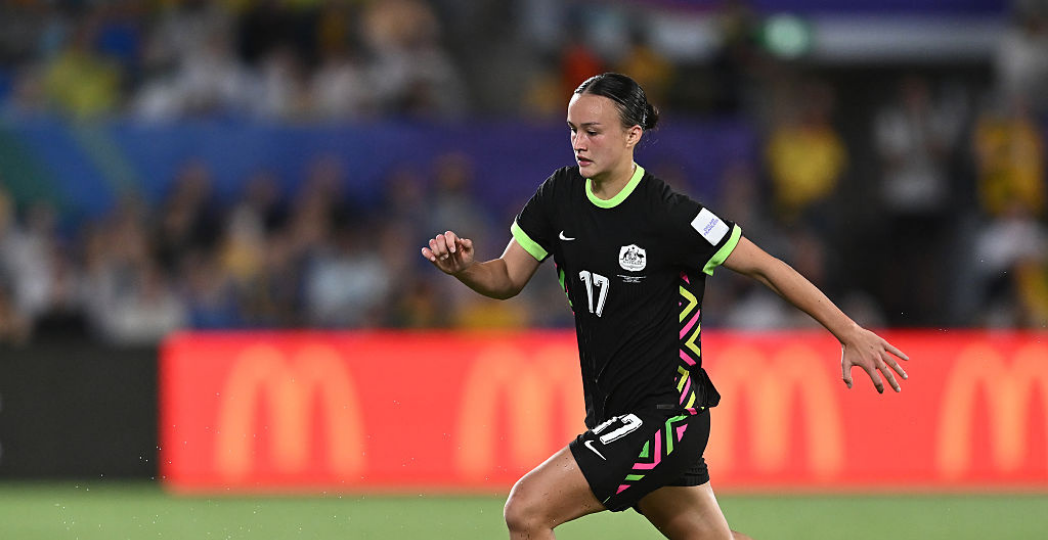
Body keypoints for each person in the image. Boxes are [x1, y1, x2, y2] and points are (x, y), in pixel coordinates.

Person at [421, 72, 909, 540]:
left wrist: (848, 331)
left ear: (633, 134)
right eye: (573, 130)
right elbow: (506, 278)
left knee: (526, 511)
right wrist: (463, 267)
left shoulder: (670, 214)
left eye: (593, 131)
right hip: (616, 415)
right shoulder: (559, 196)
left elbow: (766, 267)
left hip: (667, 416)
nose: (580, 143)